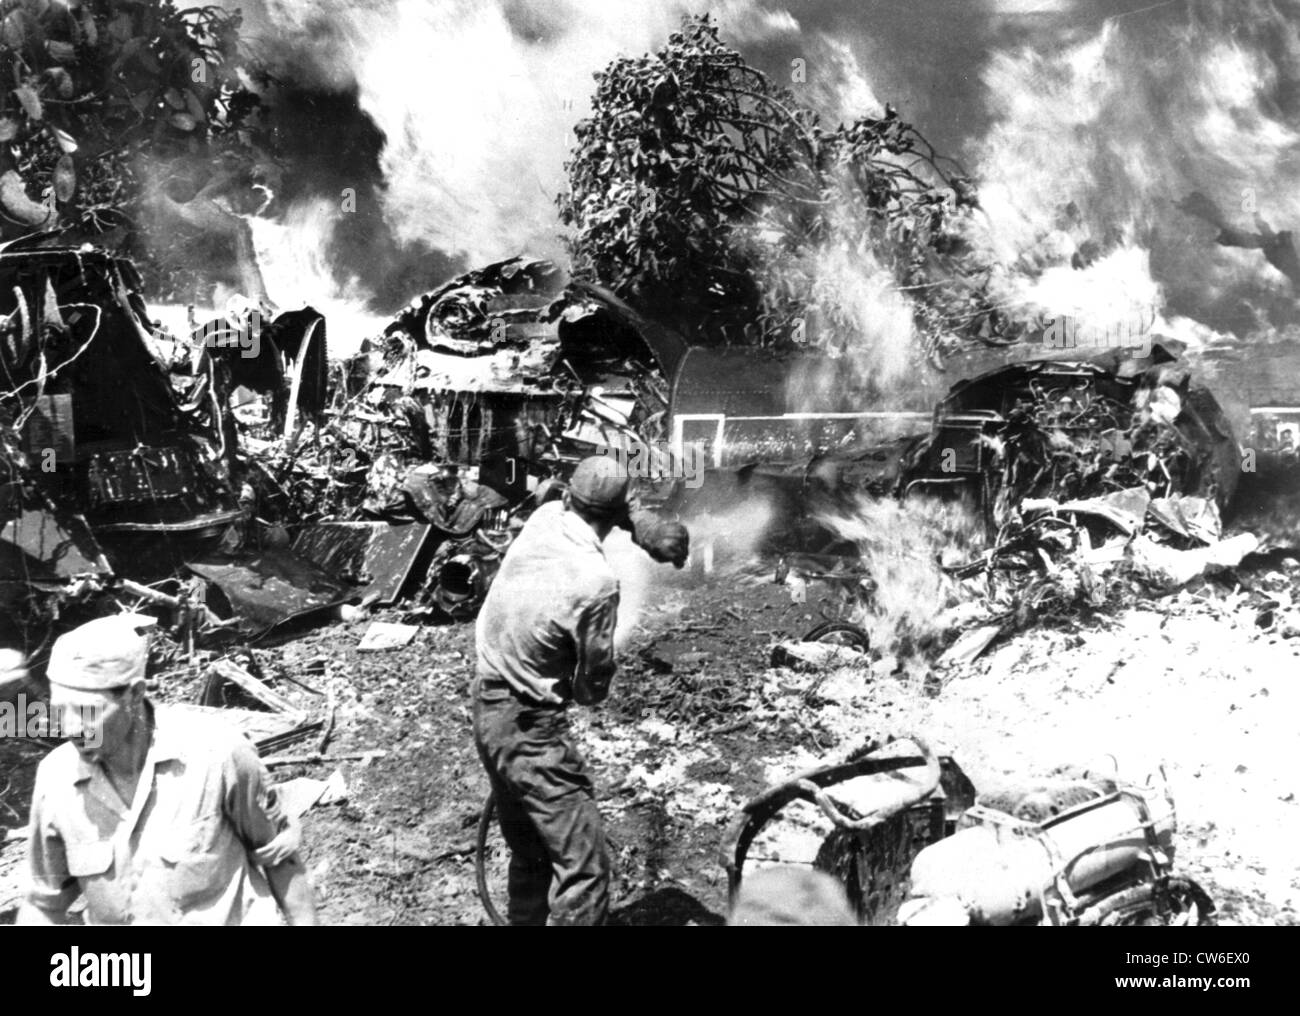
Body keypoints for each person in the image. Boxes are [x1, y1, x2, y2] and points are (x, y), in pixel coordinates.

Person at [472, 455, 687, 925]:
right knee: (584, 868)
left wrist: (638, 523)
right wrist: (645, 526)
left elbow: (580, 499)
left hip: (487, 705)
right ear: (614, 515)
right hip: (530, 733)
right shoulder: (597, 583)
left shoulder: (545, 518)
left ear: (571, 497)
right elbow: (592, 688)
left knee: (531, 850)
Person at [18, 615, 317, 926]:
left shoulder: (217, 753)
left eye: (86, 711)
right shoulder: (56, 780)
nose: (70, 728)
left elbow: (281, 860)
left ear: (134, 694)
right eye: (59, 710)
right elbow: (42, 904)